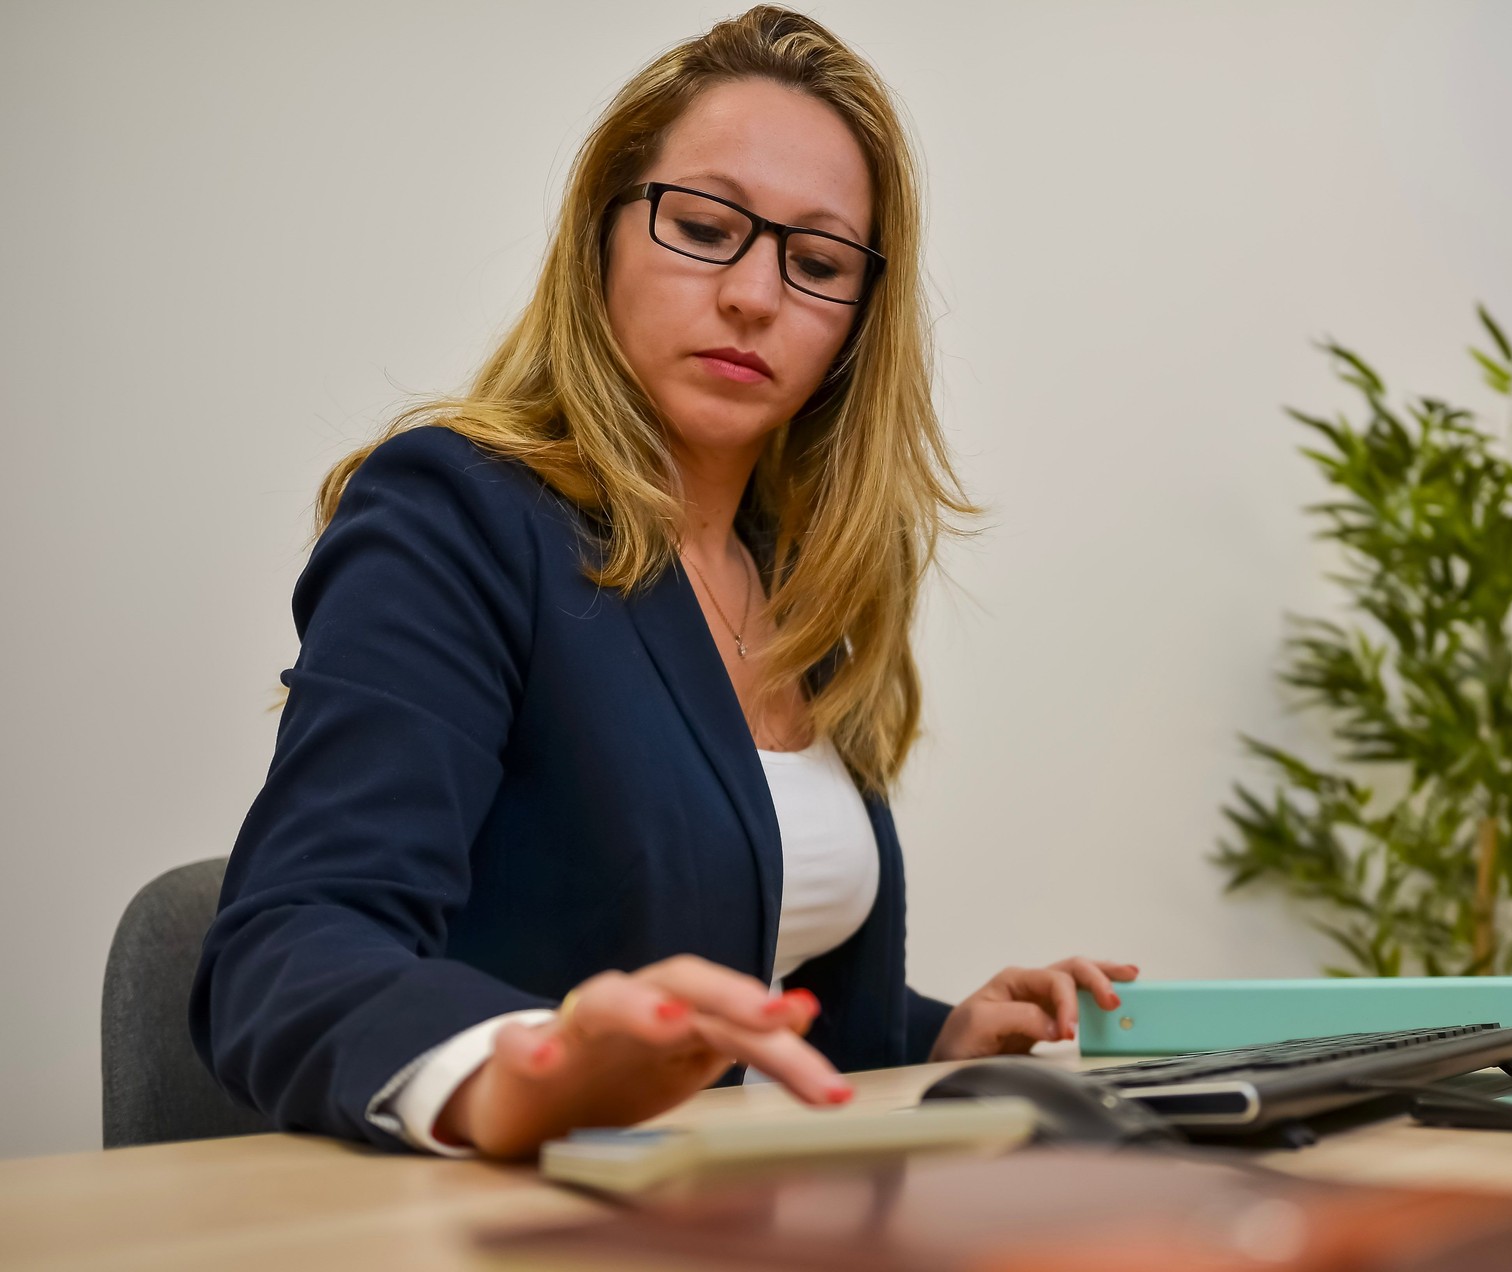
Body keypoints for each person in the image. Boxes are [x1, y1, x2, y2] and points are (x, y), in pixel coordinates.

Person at [189, 6, 1136, 1161]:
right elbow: (290, 942)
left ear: (858, 322)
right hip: (511, 1220)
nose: (753, 294)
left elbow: (748, 975)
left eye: (820, 262)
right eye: (702, 226)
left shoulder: (797, 577)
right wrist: (533, 1065)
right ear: (603, 233)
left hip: (743, 1214)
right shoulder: (459, 513)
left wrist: (934, 1039)